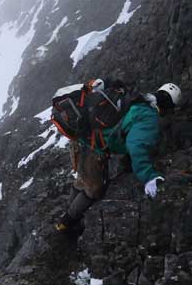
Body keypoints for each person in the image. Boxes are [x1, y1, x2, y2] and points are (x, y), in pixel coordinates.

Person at [55, 83, 182, 233]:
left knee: (83, 179)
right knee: (94, 190)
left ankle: (71, 211)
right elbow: (136, 144)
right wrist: (149, 177)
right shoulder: (149, 116)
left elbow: (126, 128)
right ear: (169, 107)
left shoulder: (138, 98)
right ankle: (65, 224)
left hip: (80, 138)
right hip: (93, 147)